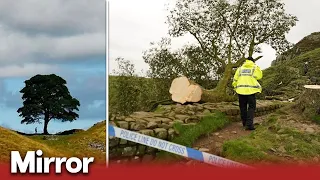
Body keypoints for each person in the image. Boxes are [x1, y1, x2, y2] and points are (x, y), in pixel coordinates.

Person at [232, 57, 263, 131]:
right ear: (253, 61)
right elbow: (259, 76)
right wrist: (257, 67)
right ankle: (249, 125)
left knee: (242, 107)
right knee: (251, 107)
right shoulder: (254, 67)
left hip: (240, 91)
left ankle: (244, 123)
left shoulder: (240, 69)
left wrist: (235, 87)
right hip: (250, 91)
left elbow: (235, 80)